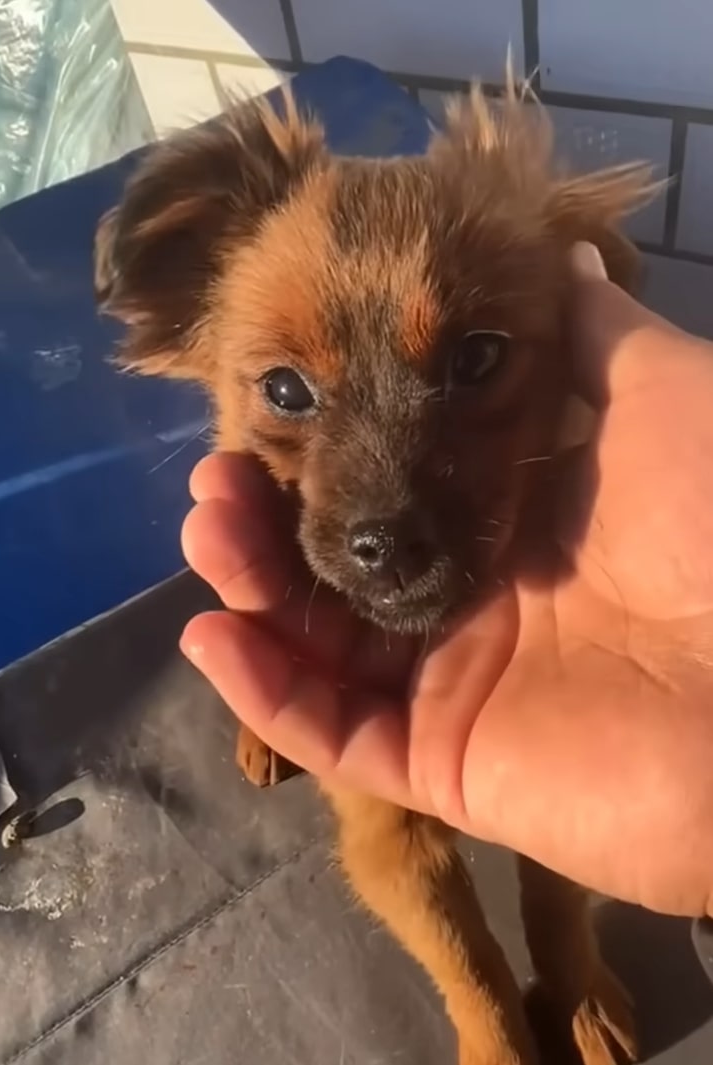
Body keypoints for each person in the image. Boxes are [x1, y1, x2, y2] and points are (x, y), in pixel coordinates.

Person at [179, 241, 713, 926]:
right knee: (251, 574)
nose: (388, 493)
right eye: (289, 390)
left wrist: (566, 958)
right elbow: (390, 854)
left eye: (475, 361)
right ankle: (267, 685)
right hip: (324, 615)